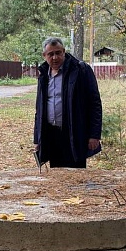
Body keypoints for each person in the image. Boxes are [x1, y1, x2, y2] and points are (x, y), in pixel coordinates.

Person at [34, 37, 103, 168]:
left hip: (74, 133)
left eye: (58, 53)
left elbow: (95, 104)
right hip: (51, 135)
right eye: (50, 54)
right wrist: (37, 138)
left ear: (64, 52)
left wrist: (94, 134)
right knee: (56, 175)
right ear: (44, 55)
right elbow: (39, 109)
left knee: (76, 175)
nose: (55, 57)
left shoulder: (80, 70)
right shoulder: (43, 75)